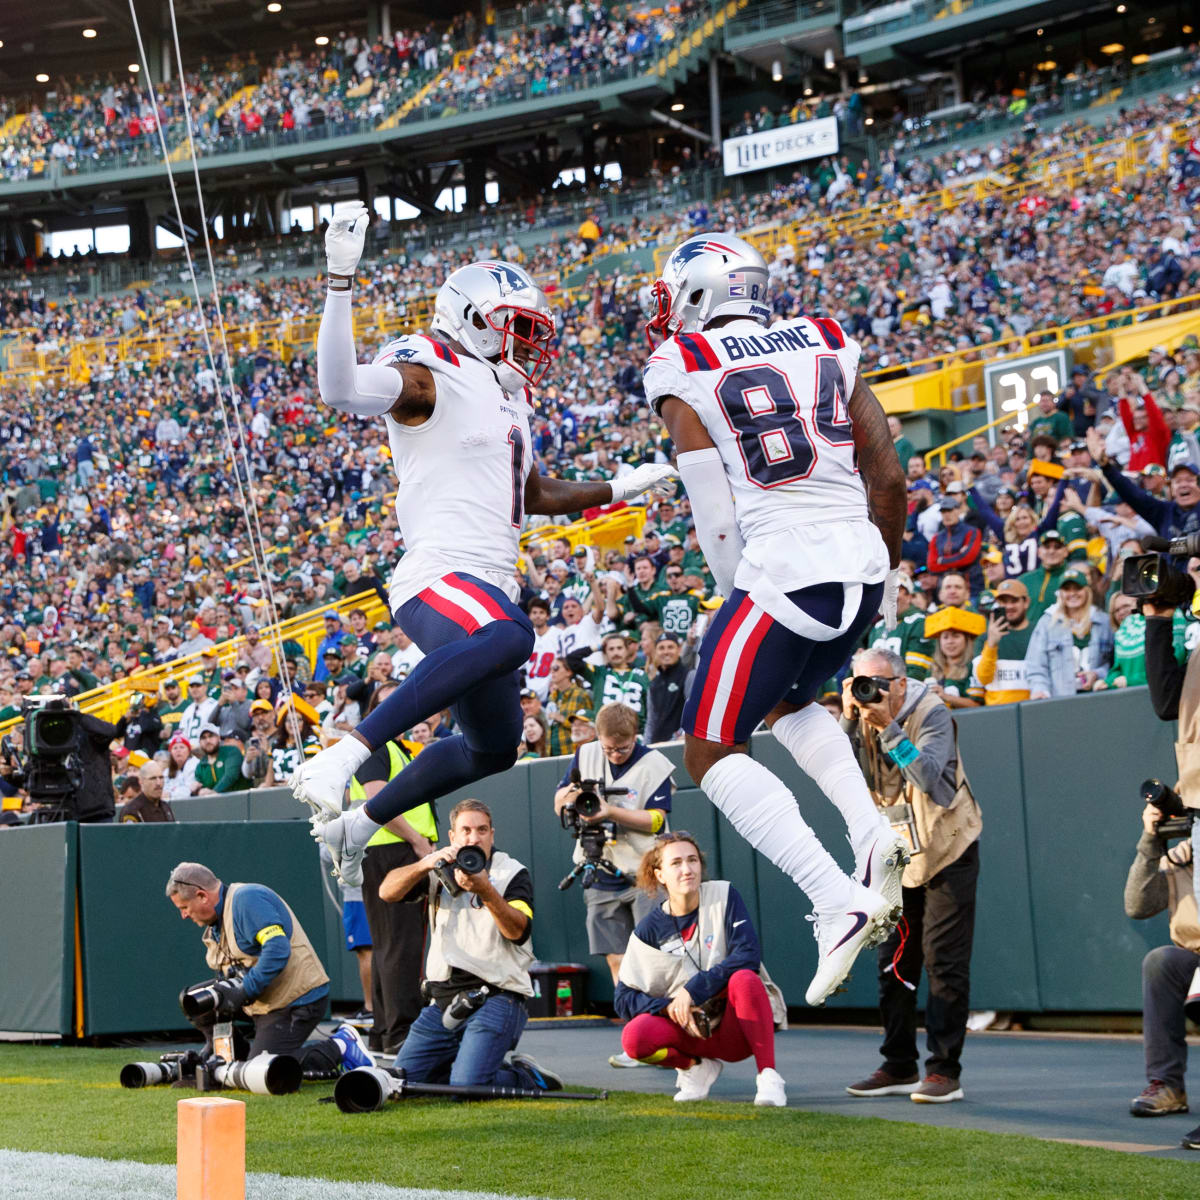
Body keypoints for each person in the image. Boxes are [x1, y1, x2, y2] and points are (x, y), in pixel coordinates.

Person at [294, 205, 675, 885]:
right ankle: (345, 754)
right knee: (511, 638)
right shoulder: (429, 367)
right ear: (471, 319)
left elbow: (534, 493)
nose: (528, 345)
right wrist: (340, 280)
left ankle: (358, 824)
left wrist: (617, 485)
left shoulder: (505, 397)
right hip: (439, 572)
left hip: (488, 584)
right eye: (517, 329)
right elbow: (340, 388)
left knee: (493, 747)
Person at [646, 232, 908, 1007]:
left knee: (708, 749)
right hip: (860, 569)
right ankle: (871, 834)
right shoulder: (828, 338)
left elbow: (714, 513)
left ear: (696, 294)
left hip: (782, 573)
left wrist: (741, 592)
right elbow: (887, 476)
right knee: (790, 702)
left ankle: (838, 899)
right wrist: (881, 576)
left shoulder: (681, 364)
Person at [839, 647, 981, 1104]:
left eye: (878, 682)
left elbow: (928, 780)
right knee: (893, 963)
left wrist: (888, 727)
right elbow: (843, 778)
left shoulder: (932, 712)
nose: (871, 692)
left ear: (900, 683)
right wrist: (847, 721)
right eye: (861, 682)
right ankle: (898, 1063)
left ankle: (943, 1070)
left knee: (944, 962)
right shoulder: (859, 715)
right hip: (897, 855)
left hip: (946, 848)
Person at [376, 799, 558, 1092]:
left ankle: (526, 1076)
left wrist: (486, 890)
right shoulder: (438, 870)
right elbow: (387, 891)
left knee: (467, 1087)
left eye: (482, 830)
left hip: (498, 996)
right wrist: (425, 863)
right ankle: (473, 1062)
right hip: (443, 999)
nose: (474, 838)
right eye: (466, 830)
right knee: (402, 1082)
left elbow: (518, 932)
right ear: (453, 837)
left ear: (492, 834)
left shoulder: (511, 872)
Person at [614, 832, 787, 1105]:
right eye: (676, 863)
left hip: (735, 1030)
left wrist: (692, 990)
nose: (687, 869)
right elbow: (623, 999)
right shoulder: (648, 930)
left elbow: (748, 954)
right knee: (635, 1039)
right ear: (660, 875)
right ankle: (694, 1066)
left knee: (745, 978)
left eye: (692, 860)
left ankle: (768, 1076)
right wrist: (670, 1006)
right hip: (688, 1031)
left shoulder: (724, 896)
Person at [166, 862, 372, 1078]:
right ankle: (229, 1053)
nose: (184, 915)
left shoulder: (247, 899)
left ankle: (341, 1045)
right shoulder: (216, 920)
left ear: (202, 896)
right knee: (196, 1000)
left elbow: (277, 949)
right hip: (263, 999)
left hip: (297, 1001)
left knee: (261, 1072)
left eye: (184, 907)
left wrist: (245, 989)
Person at [553, 702, 673, 1005]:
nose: (615, 754)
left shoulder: (655, 763)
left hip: (644, 871)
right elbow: (559, 800)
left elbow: (657, 819)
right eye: (609, 749)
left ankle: (657, 1021)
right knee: (616, 959)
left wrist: (610, 811)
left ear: (635, 736)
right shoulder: (586, 753)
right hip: (599, 868)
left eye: (622, 748)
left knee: (652, 956)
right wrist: (572, 798)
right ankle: (632, 1024)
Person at [1123, 794, 1200, 1139]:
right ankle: (1167, 1086)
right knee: (1161, 961)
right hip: (1193, 955)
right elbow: (1137, 906)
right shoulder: (1181, 856)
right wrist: (1151, 841)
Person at [1024, 568, 1114, 698]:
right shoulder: (1047, 622)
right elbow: (1035, 665)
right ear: (1060, 593)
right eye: (1067, 589)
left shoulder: (1103, 621)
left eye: (1077, 588)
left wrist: (1097, 674)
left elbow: (1114, 663)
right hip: (1060, 700)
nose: (1072, 593)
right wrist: (1040, 690)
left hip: (1099, 698)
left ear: (1086, 591)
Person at [973, 580, 1034, 705]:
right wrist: (991, 644)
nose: (1009, 607)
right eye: (1004, 602)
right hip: (999, 714)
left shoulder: (1038, 633)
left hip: (1034, 710)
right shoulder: (985, 639)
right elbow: (983, 679)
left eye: (1014, 601)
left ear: (1026, 602)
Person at [163, 734, 199, 801]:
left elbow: (188, 790)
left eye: (182, 747)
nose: (178, 750)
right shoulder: (167, 771)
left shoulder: (194, 764)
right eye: (175, 748)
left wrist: (170, 795)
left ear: (189, 751)